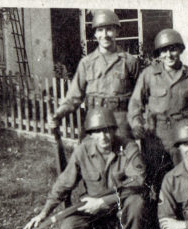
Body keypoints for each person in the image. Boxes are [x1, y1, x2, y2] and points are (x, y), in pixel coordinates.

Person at [22, 108, 147, 229]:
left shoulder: (128, 147)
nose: (103, 137)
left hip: (120, 206)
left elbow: (138, 181)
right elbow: (64, 183)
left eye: (107, 130)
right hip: (94, 211)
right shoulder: (82, 151)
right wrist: (43, 213)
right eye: (98, 131)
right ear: (91, 134)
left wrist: (103, 202)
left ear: (114, 130)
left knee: (137, 201)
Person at [128, 28, 188, 198]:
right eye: (164, 50)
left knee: (185, 183)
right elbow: (136, 103)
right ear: (159, 53)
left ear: (181, 50)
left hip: (183, 139)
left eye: (173, 49)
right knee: (155, 184)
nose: (169, 54)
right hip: (155, 138)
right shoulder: (149, 74)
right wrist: (137, 124)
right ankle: (155, 223)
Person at [50, 9, 139, 139]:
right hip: (93, 122)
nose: (105, 35)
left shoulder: (130, 62)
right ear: (95, 34)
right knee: (86, 157)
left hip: (120, 124)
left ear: (117, 32)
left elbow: (140, 99)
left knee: (122, 157)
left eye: (109, 29)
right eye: (100, 30)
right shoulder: (86, 63)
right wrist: (58, 114)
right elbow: (73, 97)